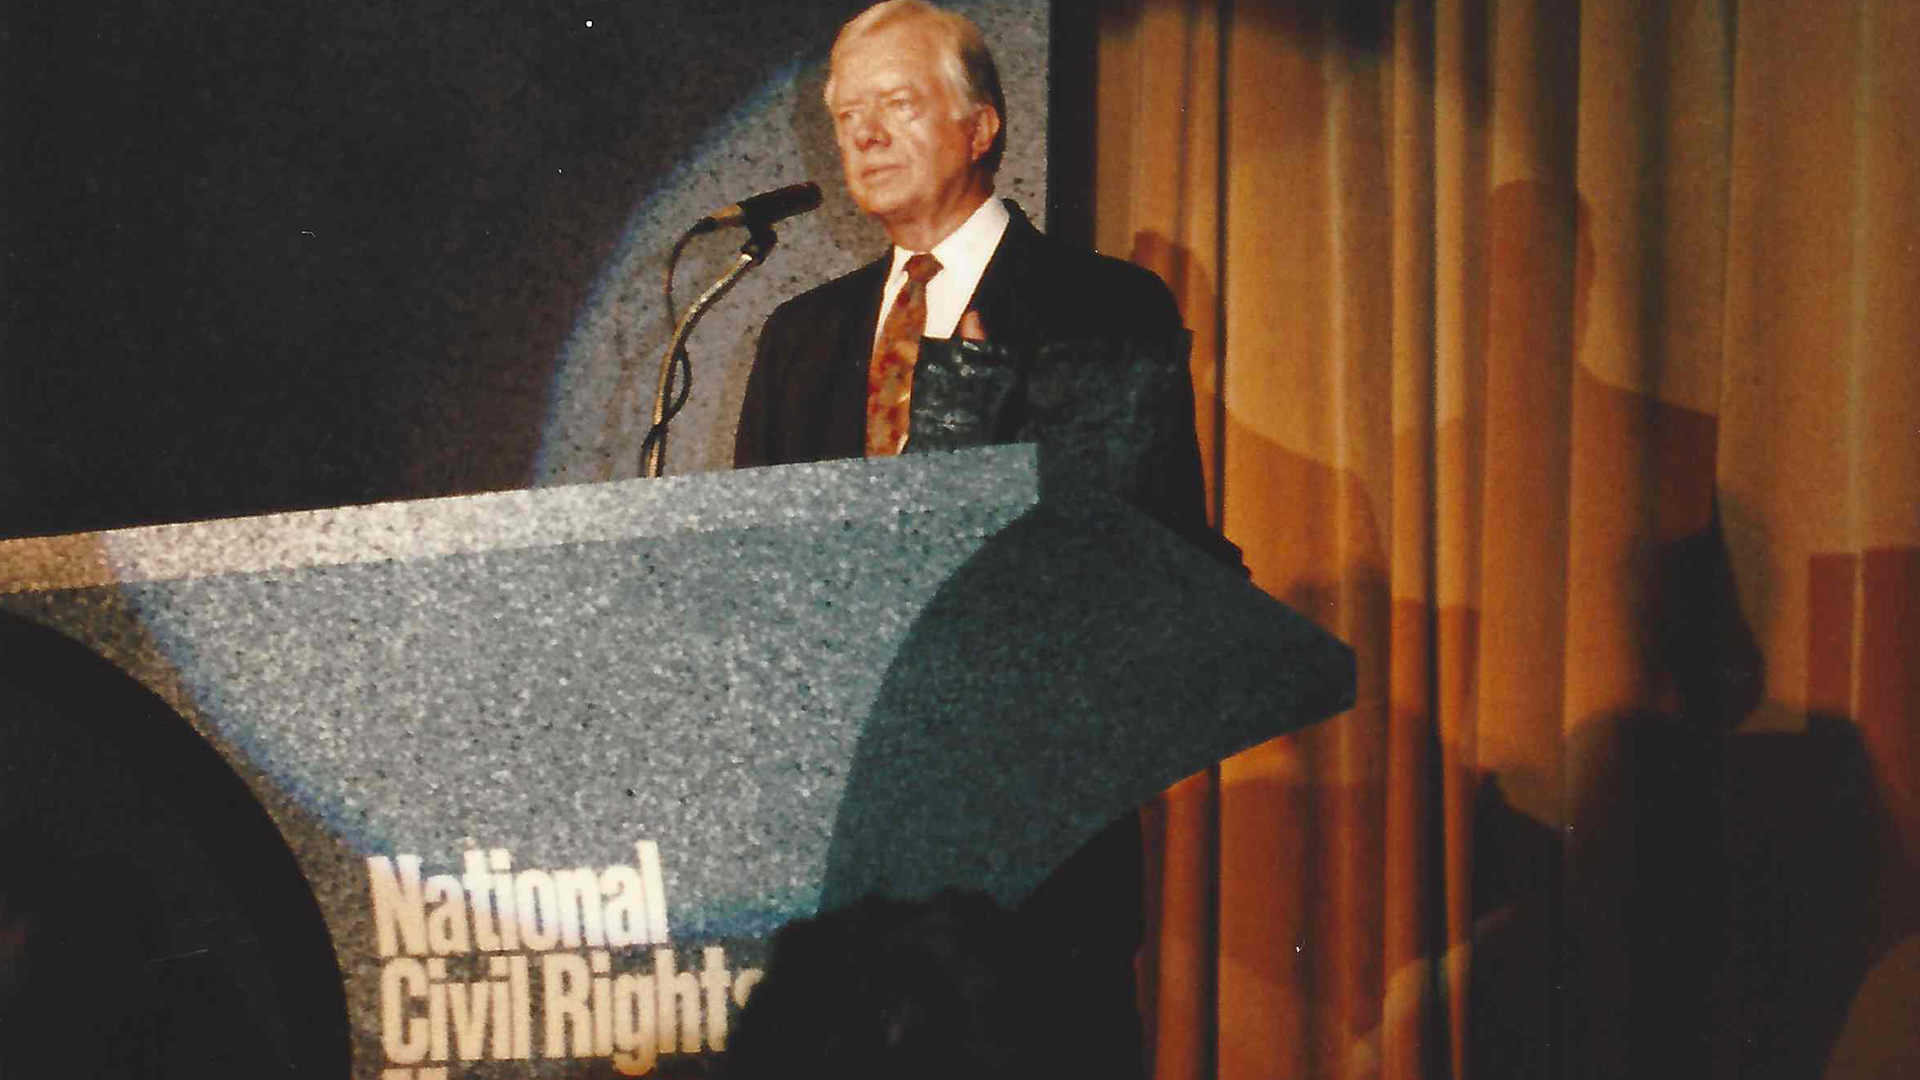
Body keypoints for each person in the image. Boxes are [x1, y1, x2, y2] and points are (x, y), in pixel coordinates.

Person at [733, 3, 1230, 1075]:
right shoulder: (799, 338)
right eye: (844, 113)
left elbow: (1138, 564)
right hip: (844, 889)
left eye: (896, 105)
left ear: (981, 128)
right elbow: (759, 586)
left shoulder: (1099, 305)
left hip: (1029, 875)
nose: (860, 135)